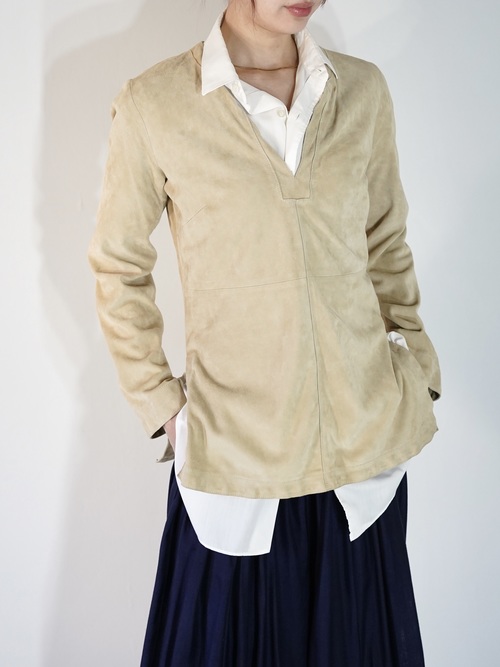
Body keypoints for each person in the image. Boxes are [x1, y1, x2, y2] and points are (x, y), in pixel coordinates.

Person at [89, 1, 441, 665]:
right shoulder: (155, 104)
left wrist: (416, 365)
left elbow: (385, 241)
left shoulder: (361, 90)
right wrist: (164, 408)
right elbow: (119, 266)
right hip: (236, 458)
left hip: (362, 460)